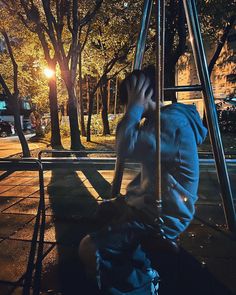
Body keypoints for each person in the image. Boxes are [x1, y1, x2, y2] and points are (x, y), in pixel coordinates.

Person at [79, 65, 207, 294]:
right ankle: (133, 260)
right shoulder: (162, 120)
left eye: (127, 101)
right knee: (103, 214)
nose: (125, 107)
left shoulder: (170, 124)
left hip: (163, 216)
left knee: (89, 249)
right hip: (153, 205)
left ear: (141, 95)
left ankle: (144, 280)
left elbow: (124, 146)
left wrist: (134, 109)